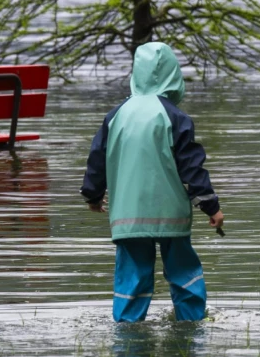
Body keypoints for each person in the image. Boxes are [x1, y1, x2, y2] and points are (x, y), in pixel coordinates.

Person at [80, 42, 224, 322]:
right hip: (170, 214)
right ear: (173, 75)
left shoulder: (115, 116)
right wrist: (211, 207)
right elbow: (191, 169)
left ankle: (127, 331)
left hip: (128, 216)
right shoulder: (175, 117)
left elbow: (96, 160)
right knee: (183, 271)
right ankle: (191, 323)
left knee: (131, 275)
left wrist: (93, 197)